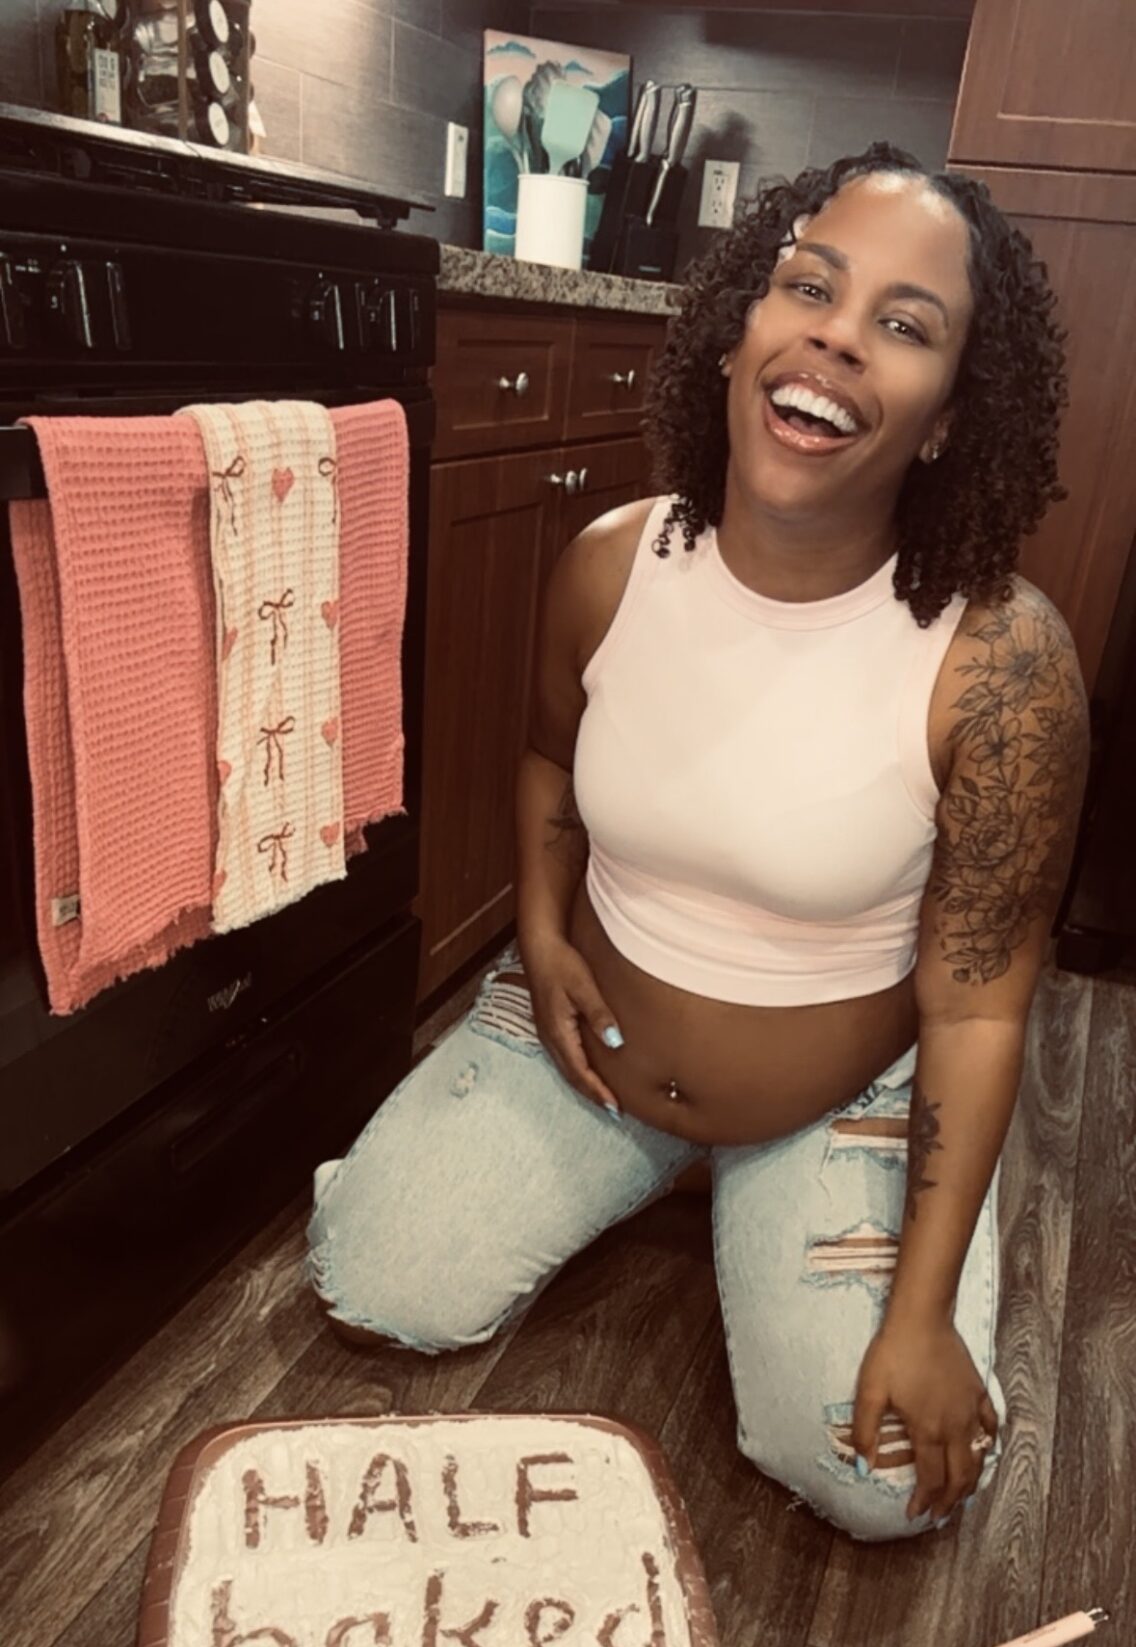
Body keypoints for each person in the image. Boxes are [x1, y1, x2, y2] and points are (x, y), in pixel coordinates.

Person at [309, 142, 1088, 1542]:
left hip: (836, 1082)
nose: (836, 338)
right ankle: (665, 1172)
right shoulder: (614, 562)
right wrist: (541, 937)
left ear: (952, 417)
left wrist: (919, 1312)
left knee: (878, 1481)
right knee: (380, 1284)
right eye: (811, 287)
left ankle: (825, 1196)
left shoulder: (999, 660)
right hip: (592, 1054)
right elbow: (549, 756)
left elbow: (980, 1002)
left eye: (904, 327)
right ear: (741, 332)